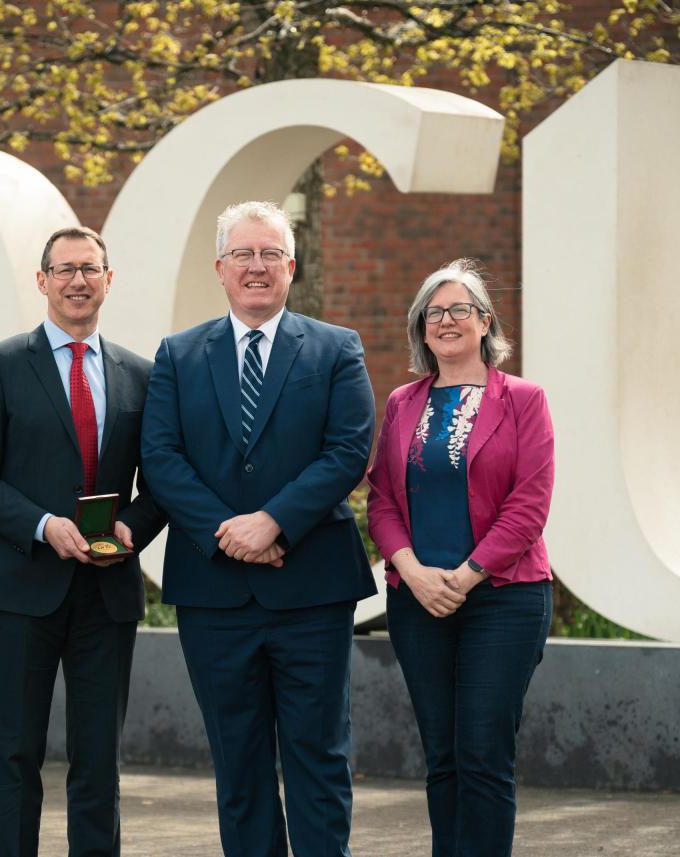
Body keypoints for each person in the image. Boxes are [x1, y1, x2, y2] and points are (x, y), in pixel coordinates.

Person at [140, 200, 376, 857]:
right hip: (214, 594)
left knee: (319, 757)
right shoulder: (178, 354)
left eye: (270, 253)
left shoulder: (336, 349)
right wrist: (227, 529)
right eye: (242, 253)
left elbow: (349, 450)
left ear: (291, 267)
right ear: (219, 268)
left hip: (312, 591)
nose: (256, 266)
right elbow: (160, 457)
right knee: (238, 766)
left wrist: (273, 520)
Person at [0, 226, 167, 857]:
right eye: (65, 269)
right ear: (42, 280)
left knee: (98, 759)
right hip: (22, 588)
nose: (79, 281)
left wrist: (134, 523)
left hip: (107, 592)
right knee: (16, 754)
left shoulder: (142, 373)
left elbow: (159, 484)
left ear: (109, 279)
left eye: (90, 269)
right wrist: (44, 526)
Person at [365, 259, 554, 857]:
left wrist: (467, 576)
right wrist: (414, 574)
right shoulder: (401, 402)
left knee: (482, 754)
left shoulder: (524, 399)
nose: (446, 321)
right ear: (422, 329)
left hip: (503, 599)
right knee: (442, 756)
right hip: (419, 600)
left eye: (460, 310)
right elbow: (382, 500)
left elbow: (529, 506)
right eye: (434, 313)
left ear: (484, 322)